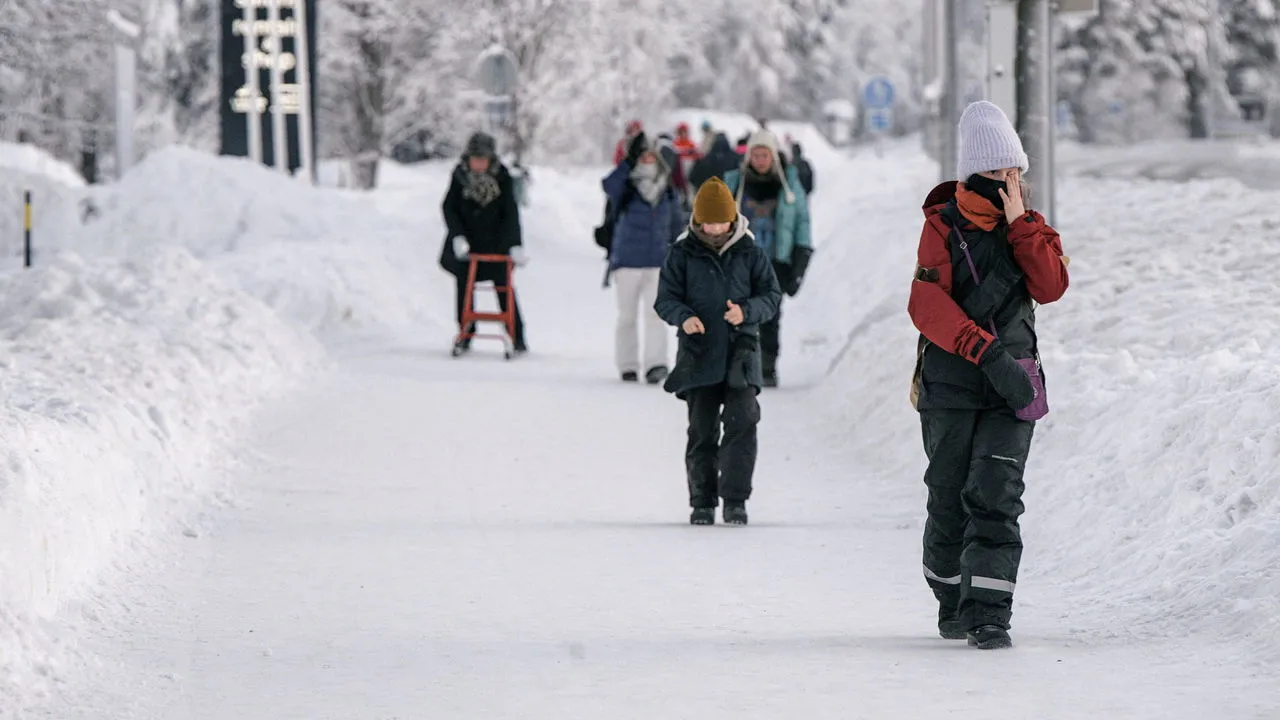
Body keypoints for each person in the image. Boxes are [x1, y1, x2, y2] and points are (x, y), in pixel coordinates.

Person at [907, 101, 1070, 650]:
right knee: (949, 498)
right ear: (976, 172)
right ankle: (951, 596)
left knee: (996, 495)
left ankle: (990, 614)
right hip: (952, 386)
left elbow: (1051, 287)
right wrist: (983, 350)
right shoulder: (940, 226)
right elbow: (926, 305)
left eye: (1016, 171)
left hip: (1013, 386)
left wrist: (1022, 225)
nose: (1010, 182)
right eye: (1000, 172)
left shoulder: (1031, 228)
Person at [654, 177, 781, 526]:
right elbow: (665, 299)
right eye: (708, 222)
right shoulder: (681, 253)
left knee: (743, 426)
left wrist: (746, 312)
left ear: (732, 219)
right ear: (697, 220)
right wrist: (684, 317)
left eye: (721, 222)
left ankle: (735, 501)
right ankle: (702, 502)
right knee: (701, 432)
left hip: (742, 355)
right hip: (698, 356)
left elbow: (771, 297)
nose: (714, 229)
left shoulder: (751, 252)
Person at [722, 129, 813, 387]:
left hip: (775, 261)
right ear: (748, 157)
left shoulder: (789, 184)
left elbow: (801, 221)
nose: (760, 160)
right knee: (737, 312)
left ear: (773, 156)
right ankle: (740, 364)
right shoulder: (734, 183)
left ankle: (767, 366)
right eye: (756, 155)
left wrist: (800, 258)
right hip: (741, 262)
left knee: (770, 316)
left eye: (765, 155)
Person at [602, 133, 685, 384]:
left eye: (651, 155)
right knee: (627, 316)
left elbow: (676, 223)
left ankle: (656, 364)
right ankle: (627, 364)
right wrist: (626, 163)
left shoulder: (666, 187)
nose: (647, 159)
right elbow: (608, 185)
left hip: (658, 261)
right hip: (627, 261)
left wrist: (677, 252)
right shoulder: (625, 185)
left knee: (655, 314)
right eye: (642, 155)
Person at [441, 131, 529, 356]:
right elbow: (449, 207)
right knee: (464, 285)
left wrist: (515, 244)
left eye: (483, 160)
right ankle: (465, 331)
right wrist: (457, 235)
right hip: (468, 244)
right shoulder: (459, 177)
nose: (478, 164)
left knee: (504, 286)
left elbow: (510, 213)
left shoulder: (503, 178)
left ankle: (517, 335)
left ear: (491, 159)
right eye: (475, 159)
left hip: (496, 244)